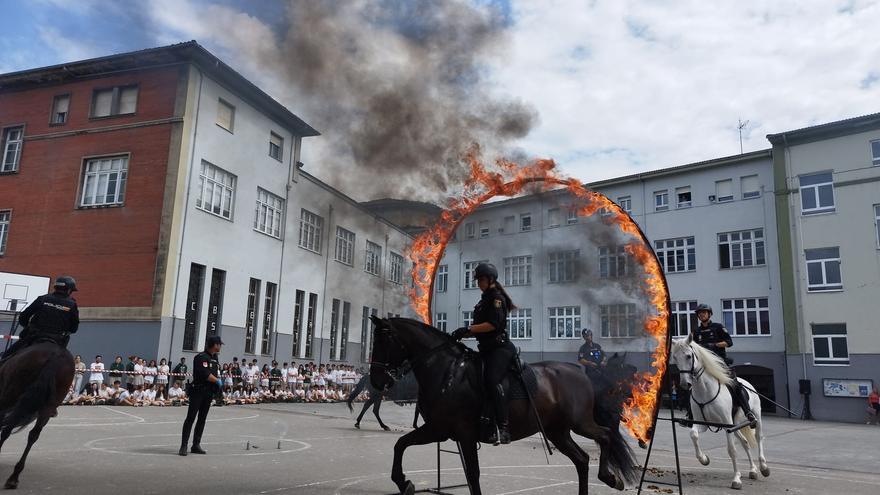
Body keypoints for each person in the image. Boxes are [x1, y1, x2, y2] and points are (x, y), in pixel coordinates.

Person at [450, 262, 515, 445]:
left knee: (492, 380)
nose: (478, 283)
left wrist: (468, 328)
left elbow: (493, 325)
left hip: (500, 349)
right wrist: (462, 334)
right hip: (486, 349)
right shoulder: (483, 300)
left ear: (491, 279)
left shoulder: (496, 298)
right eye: (478, 279)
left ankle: (503, 428)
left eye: (481, 279)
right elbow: (480, 328)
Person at [690, 303, 756, 427]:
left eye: (704, 312)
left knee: (734, 384)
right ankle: (690, 414)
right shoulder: (696, 331)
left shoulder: (718, 327)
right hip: (703, 365)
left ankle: (748, 413)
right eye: (699, 313)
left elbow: (729, 342)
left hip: (719, 363)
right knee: (692, 386)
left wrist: (714, 345)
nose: (702, 314)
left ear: (709, 314)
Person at [0, 276, 79, 363]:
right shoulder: (72, 304)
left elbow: (24, 316)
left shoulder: (42, 298)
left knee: (6, 356)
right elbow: (74, 328)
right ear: (68, 290)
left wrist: (28, 326)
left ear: (56, 287)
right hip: (57, 339)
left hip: (35, 335)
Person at [179, 335, 224, 456]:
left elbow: (214, 373)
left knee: (202, 419)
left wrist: (217, 386)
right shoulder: (201, 357)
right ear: (215, 345)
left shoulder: (215, 358)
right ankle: (183, 446)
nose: (220, 347)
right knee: (191, 418)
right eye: (219, 344)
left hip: (208, 392)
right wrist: (217, 381)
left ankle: (196, 444)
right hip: (198, 391)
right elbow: (205, 374)